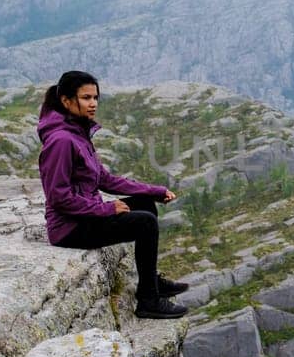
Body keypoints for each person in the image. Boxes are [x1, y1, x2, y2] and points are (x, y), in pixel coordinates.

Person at [37, 70, 191, 319]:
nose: (93, 103)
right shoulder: (61, 141)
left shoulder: (78, 133)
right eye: (86, 98)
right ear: (66, 101)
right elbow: (58, 197)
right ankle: (148, 301)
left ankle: (151, 282)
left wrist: (153, 192)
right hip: (69, 229)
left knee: (144, 205)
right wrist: (106, 210)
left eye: (95, 97)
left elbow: (105, 179)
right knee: (145, 223)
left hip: (85, 218)